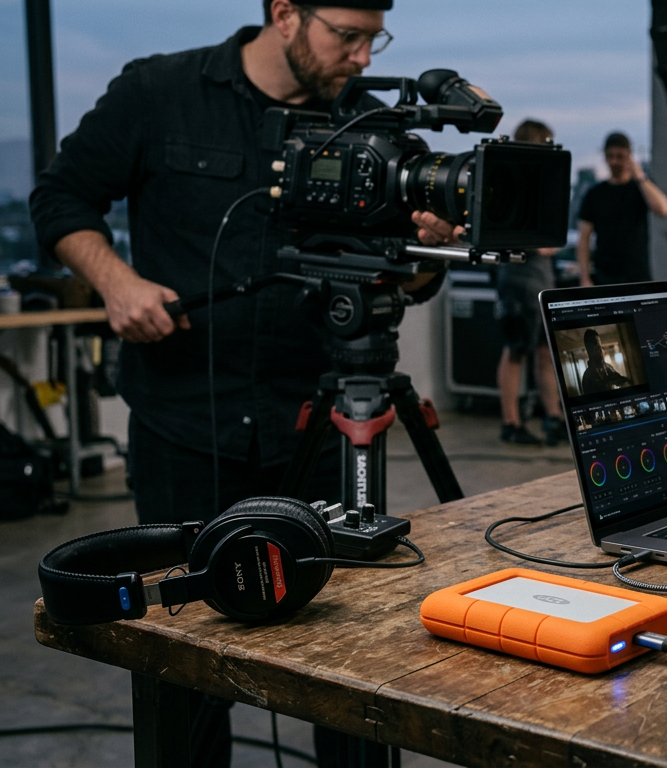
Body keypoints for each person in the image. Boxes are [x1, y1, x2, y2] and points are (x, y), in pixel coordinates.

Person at [28, 1, 461, 764]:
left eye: (375, 38)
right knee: (184, 652)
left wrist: (428, 252)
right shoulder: (158, 91)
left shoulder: (372, 124)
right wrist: (118, 282)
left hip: (327, 421)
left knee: (353, 644)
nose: (362, 58)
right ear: (286, 13)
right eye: (347, 35)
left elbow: (409, 277)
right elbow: (60, 198)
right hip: (184, 426)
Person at [496, 119, 567, 445]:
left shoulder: (541, 186)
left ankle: (554, 418)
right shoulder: (512, 186)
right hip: (520, 281)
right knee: (516, 352)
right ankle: (511, 424)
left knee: (545, 352)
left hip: (542, 280)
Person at [576, 132, 667, 286]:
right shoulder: (595, 194)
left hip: (638, 274)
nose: (614, 161)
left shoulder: (640, 189)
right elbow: (584, 238)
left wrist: (639, 176)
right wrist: (584, 277)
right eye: (610, 156)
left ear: (629, 156)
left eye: (620, 156)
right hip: (605, 275)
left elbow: (663, 209)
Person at [578, 329, 632, 395]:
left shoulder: (608, 367)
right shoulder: (587, 377)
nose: (599, 349)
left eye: (599, 345)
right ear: (589, 350)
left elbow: (620, 380)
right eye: (595, 345)